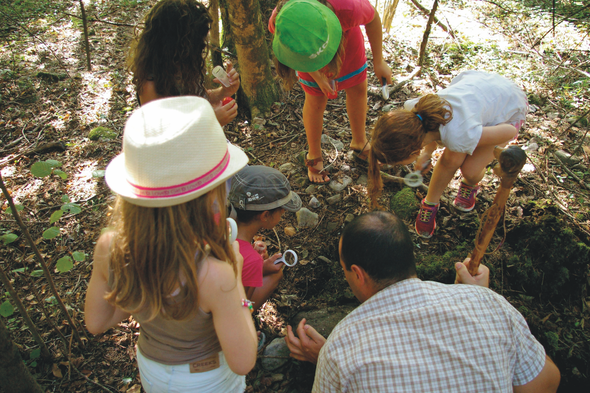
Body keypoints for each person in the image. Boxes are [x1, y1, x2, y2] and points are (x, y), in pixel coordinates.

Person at [84, 96, 257, 392]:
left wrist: (148, 286)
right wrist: (236, 279)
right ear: (208, 199)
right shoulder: (216, 275)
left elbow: (97, 322)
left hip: (153, 370)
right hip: (208, 379)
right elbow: (243, 361)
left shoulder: (110, 246)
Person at [285, 211, 561, 392]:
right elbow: (547, 382)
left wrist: (327, 361)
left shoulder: (341, 347)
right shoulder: (491, 305)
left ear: (357, 273)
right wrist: (480, 299)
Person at [368, 70, 528, 238]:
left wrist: (476, 138)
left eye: (402, 163)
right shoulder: (414, 111)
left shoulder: (460, 135)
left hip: (508, 110)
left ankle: (470, 184)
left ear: (413, 151)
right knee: (454, 155)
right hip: (482, 88)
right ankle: (430, 203)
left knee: (470, 170)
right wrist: (427, 152)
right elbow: (432, 133)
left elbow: (509, 132)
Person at [269, 0, 392, 184]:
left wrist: (379, 61)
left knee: (358, 88)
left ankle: (359, 141)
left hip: (347, 49)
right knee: (315, 100)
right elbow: (298, 51)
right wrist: (317, 76)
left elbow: (372, 18)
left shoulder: (347, 7)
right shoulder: (282, 19)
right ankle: (314, 154)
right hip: (306, 60)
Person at [127, 0, 239, 126]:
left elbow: (197, 99)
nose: (202, 46)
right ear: (176, 46)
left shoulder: (183, 67)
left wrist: (223, 91)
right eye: (197, 43)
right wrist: (210, 122)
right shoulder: (150, 85)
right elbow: (161, 135)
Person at [229, 165, 302, 310]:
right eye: (282, 211)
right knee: (276, 275)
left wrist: (260, 268)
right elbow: (243, 306)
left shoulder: (219, 225)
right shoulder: (251, 259)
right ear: (265, 215)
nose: (283, 213)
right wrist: (255, 266)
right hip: (221, 318)